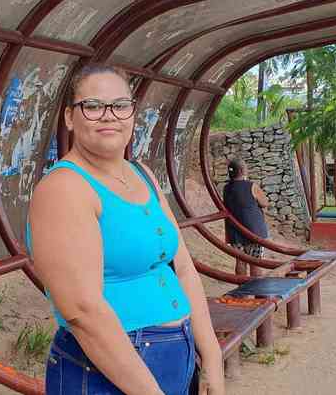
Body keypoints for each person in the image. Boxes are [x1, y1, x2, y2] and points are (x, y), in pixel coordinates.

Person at [27, 63, 224, 395]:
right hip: (110, 371)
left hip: (176, 355)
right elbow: (82, 312)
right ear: (69, 118)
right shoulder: (64, 188)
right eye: (92, 106)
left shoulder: (141, 174)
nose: (109, 116)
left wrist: (213, 357)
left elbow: (183, 268)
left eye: (120, 105)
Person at [222, 159, 270, 277]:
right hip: (253, 231)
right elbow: (264, 203)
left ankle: (242, 291)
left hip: (235, 231)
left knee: (240, 261)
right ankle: (257, 291)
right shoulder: (251, 186)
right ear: (242, 170)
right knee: (255, 263)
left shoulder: (226, 188)